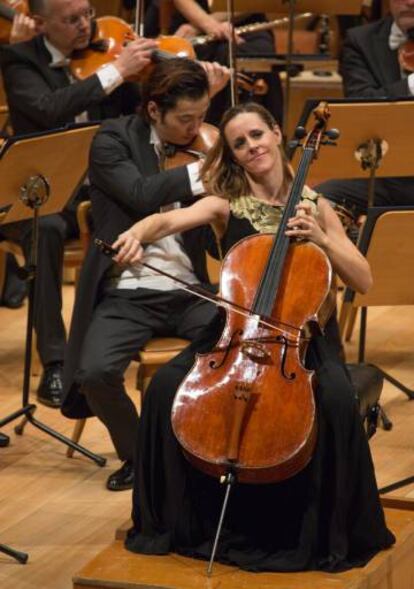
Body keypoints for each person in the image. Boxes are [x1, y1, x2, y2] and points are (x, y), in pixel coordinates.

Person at [112, 102, 395, 570]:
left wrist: (323, 240)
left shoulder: (316, 204)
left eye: (257, 135)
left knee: (337, 403)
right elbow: (166, 221)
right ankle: (183, 522)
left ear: (278, 134)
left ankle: (319, 532)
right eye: (239, 143)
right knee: (164, 389)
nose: (251, 147)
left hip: (299, 337)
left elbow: (363, 279)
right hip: (233, 329)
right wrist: (136, 233)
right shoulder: (227, 201)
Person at [61, 57, 230, 491]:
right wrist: (209, 168)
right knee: (95, 373)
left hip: (190, 289)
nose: (195, 129)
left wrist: (222, 210)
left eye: (203, 117)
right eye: (184, 119)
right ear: (154, 110)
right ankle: (141, 456)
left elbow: (215, 243)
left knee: (234, 348)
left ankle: (209, 450)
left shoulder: (198, 145)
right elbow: (139, 193)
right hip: (127, 291)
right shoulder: (112, 139)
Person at [0, 0, 158, 407]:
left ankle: (110, 346)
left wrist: (156, 71)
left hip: (94, 193)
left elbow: (140, 116)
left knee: (139, 210)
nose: (85, 26)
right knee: (46, 229)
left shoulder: (104, 54)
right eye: (71, 20)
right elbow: (48, 109)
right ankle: (55, 361)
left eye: (87, 13)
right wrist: (116, 71)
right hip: (37, 197)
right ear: (40, 23)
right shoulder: (19, 60)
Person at [315, 0, 414, 224]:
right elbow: (360, 103)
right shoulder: (360, 40)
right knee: (316, 202)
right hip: (384, 174)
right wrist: (410, 86)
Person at [141, 0, 284, 126]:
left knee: (252, 54)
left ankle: (259, 134)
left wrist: (205, 24)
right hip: (191, 18)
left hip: (244, 21)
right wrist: (205, 24)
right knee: (180, 59)